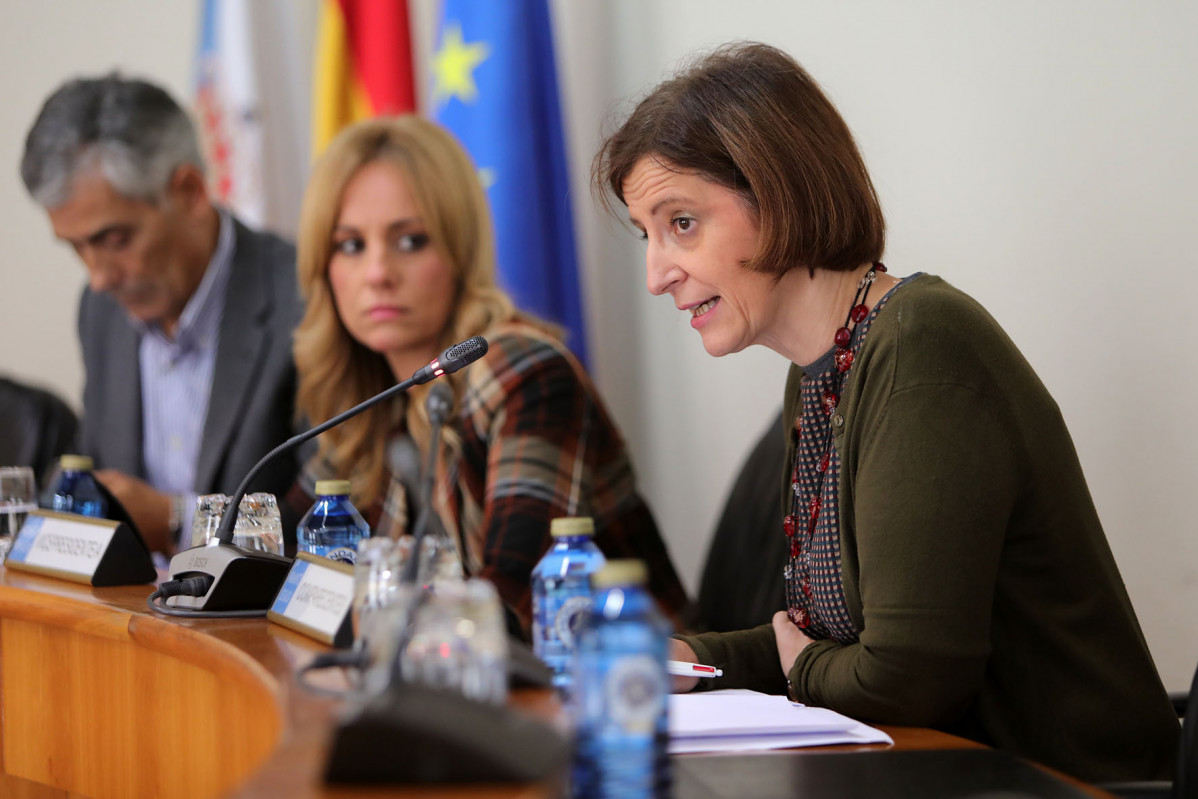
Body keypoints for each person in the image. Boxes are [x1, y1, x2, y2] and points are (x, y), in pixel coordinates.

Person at [593, 42, 1177, 783]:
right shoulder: (818, 375)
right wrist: (687, 659)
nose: (655, 274)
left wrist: (800, 663)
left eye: (681, 223)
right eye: (647, 234)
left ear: (779, 192)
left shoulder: (923, 347)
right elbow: (813, 642)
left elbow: (906, 679)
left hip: (1071, 782)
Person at [290, 115, 687, 636]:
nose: (378, 273)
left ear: (459, 249)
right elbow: (284, 566)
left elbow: (512, 603)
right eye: (350, 245)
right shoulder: (368, 394)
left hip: (636, 690)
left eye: (409, 241)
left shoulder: (524, 372)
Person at [20, 75, 304, 555]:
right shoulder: (101, 313)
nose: (98, 277)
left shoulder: (303, 301)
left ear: (190, 191)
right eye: (76, 247)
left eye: (114, 240)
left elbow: (327, 522)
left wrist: (180, 521)